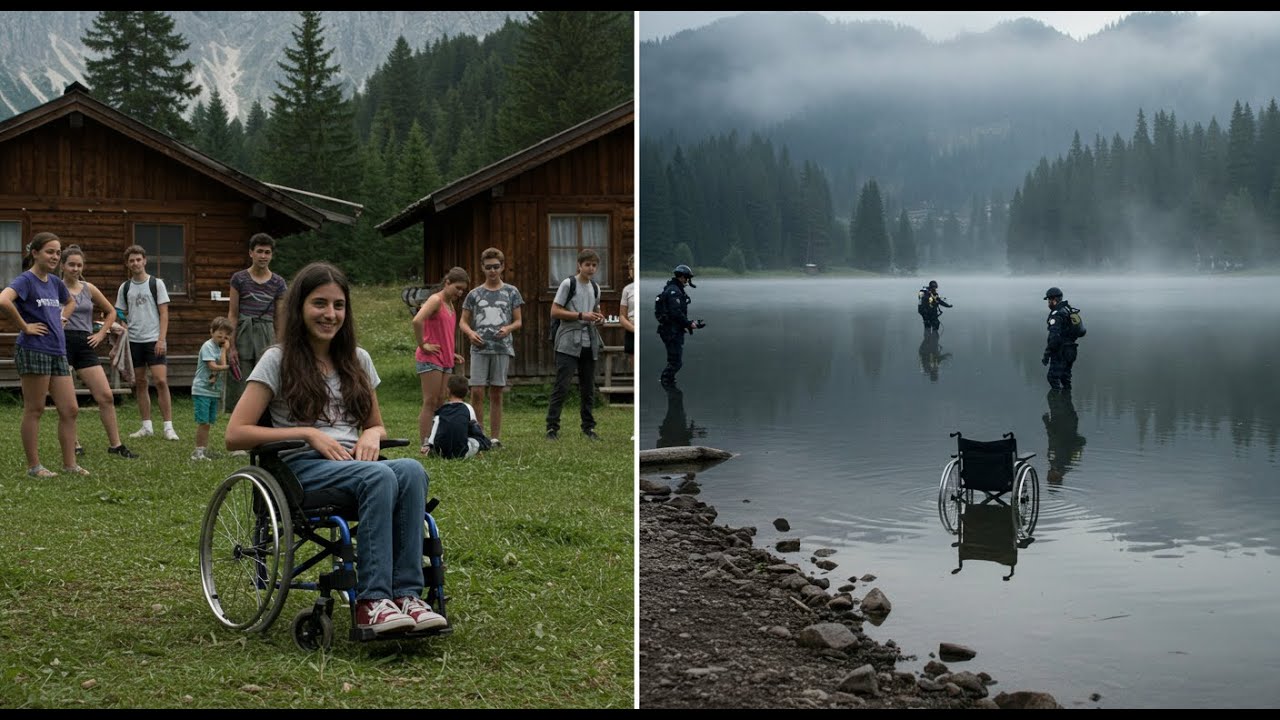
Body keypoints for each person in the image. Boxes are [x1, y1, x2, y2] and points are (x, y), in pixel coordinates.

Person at [225, 261, 446, 635]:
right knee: (378, 477)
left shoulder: (357, 360)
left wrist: (372, 435)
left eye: (338, 305)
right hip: (300, 470)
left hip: (353, 464)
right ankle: (372, 601)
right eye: (319, 303)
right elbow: (235, 433)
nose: (330, 314)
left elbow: (375, 423)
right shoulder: (277, 360)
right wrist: (309, 434)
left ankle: (407, 595)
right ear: (299, 308)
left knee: (410, 469)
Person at [0, 232, 87, 477]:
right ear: (35, 253)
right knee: (35, 409)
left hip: (58, 350)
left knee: (70, 409)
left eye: (58, 252)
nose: (55, 256)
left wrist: (62, 317)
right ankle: (34, 467)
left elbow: (70, 302)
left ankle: (70, 465)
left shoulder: (55, 282)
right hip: (33, 349)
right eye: (50, 251)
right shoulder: (25, 280)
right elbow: (4, 300)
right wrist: (25, 326)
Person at [58, 245, 138, 459]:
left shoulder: (88, 288)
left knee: (105, 396)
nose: (75, 268)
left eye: (79, 265)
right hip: (61, 343)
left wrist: (102, 334)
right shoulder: (54, 287)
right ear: (62, 266)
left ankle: (116, 445)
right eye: (71, 265)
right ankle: (73, 443)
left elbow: (112, 311)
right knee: (68, 400)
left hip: (85, 344)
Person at [458, 248, 522, 449]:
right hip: (479, 349)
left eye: (496, 267)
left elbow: (518, 321)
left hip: (502, 348)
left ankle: (494, 438)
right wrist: (470, 333)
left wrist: (508, 328)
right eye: (488, 267)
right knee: (477, 391)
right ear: (482, 268)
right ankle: (479, 435)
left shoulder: (511, 292)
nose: (492, 271)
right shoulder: (474, 294)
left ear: (502, 267)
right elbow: (463, 322)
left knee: (496, 392)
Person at [115, 244, 178, 441]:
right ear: (127, 264)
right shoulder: (125, 287)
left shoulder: (156, 283)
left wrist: (161, 339)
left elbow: (164, 313)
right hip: (134, 341)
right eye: (131, 260)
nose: (135, 263)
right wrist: (122, 324)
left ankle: (168, 427)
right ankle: (146, 426)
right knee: (140, 383)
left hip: (154, 340)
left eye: (138, 259)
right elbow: (119, 311)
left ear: (144, 260)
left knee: (160, 381)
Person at [546, 249, 606, 441]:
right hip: (567, 341)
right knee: (562, 386)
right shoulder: (568, 284)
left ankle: (588, 427)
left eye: (594, 265)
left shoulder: (596, 288)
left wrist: (599, 318)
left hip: (589, 341)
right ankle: (552, 428)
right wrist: (581, 315)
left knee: (588, 387)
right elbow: (554, 311)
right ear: (579, 265)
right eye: (587, 264)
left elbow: (595, 310)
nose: (591, 268)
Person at [226, 233, 287, 415]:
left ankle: (265, 427)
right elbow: (233, 314)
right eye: (259, 251)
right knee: (241, 383)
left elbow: (279, 317)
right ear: (251, 253)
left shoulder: (279, 283)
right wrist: (231, 346)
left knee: (266, 380)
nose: (263, 256)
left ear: (271, 255)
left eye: (267, 252)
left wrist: (281, 344)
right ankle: (241, 426)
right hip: (244, 331)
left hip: (267, 333)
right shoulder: (239, 279)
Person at [413, 267, 469, 453]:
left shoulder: (451, 305)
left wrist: (451, 352)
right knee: (430, 400)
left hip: (445, 359)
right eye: (457, 288)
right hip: (430, 358)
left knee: (441, 401)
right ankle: (424, 443)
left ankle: (437, 441)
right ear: (447, 283)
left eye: (463, 290)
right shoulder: (435, 300)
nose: (460, 293)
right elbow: (417, 321)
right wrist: (423, 345)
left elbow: (442, 333)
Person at [655, 264, 704, 388]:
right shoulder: (674, 291)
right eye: (687, 278)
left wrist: (689, 324)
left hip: (673, 330)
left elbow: (677, 314)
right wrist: (688, 323)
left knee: (675, 361)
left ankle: (670, 387)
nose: (688, 281)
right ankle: (667, 384)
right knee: (675, 362)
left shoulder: (673, 289)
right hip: (671, 332)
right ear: (681, 277)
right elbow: (676, 313)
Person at [191, 317, 233, 461]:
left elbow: (221, 363)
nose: (223, 338)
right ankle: (198, 452)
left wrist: (224, 350)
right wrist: (228, 368)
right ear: (212, 332)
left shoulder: (219, 347)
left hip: (213, 391)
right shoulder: (207, 346)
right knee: (204, 422)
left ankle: (202, 450)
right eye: (219, 335)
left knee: (208, 423)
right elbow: (213, 366)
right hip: (202, 389)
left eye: (226, 336)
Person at [423, 374, 492, 459]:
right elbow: (475, 430)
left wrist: (428, 445)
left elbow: (434, 431)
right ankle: (481, 449)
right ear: (467, 392)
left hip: (441, 452)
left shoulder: (442, 410)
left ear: (448, 391)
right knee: (479, 439)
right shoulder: (468, 408)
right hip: (461, 452)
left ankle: (433, 452)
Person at [1043, 388, 1087, 486]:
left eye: (1048, 475)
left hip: (1063, 422)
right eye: (1050, 475)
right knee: (1055, 397)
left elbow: (1052, 438)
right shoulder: (1068, 461)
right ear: (1058, 476)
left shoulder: (1054, 460)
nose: (1048, 472)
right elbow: (1081, 442)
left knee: (1054, 397)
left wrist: (1047, 423)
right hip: (1066, 423)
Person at [1041, 286, 1079, 390]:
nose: (1048, 303)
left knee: (1053, 378)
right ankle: (1067, 403)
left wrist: (1046, 354)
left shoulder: (1057, 315)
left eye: (1049, 300)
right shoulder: (1067, 309)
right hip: (1071, 350)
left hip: (1060, 352)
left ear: (1053, 300)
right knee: (1065, 378)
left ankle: (1058, 404)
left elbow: (1054, 338)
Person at [619, 254, 636, 374]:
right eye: (631, 269)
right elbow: (622, 316)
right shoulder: (627, 289)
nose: (633, 271)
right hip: (632, 330)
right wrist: (634, 329)